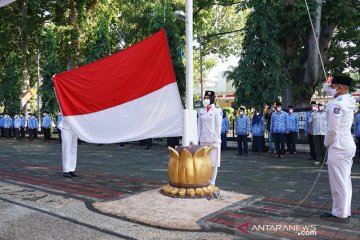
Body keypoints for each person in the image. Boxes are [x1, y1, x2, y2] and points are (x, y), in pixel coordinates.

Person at [320, 75, 355, 223]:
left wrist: (326, 143)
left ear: (340, 88)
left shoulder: (337, 104)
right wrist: (328, 83)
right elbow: (327, 90)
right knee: (345, 180)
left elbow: (332, 130)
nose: (331, 90)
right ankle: (344, 210)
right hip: (346, 144)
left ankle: (339, 213)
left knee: (338, 182)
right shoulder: (348, 99)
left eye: (334, 87)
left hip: (338, 145)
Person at [197, 90, 222, 185]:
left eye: (208, 98)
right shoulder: (201, 111)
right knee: (204, 162)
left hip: (213, 140)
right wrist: (197, 139)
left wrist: (216, 140)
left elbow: (218, 127)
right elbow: (198, 126)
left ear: (212, 99)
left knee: (214, 162)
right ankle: (205, 179)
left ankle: (212, 181)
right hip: (203, 140)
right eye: (205, 98)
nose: (206, 100)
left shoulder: (217, 111)